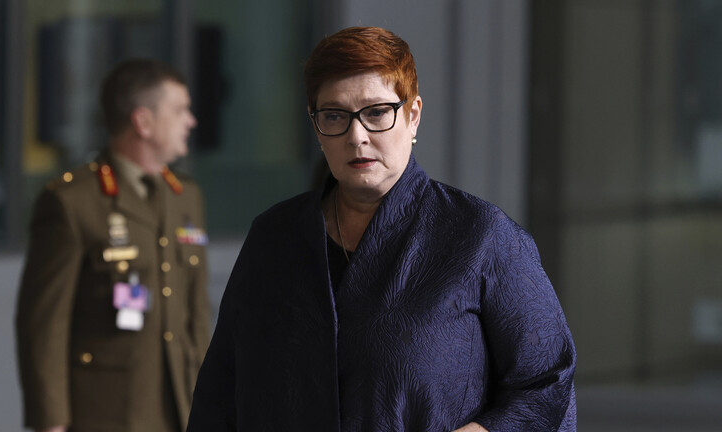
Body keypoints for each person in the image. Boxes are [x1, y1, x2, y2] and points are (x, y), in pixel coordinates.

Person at [187, 27, 576, 432]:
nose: (356, 137)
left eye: (376, 113)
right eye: (334, 115)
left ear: (413, 115)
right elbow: (220, 393)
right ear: (316, 126)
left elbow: (547, 380)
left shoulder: (479, 235)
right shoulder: (274, 236)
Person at [16, 58, 212, 432]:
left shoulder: (186, 197)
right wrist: (51, 422)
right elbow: (44, 325)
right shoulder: (73, 201)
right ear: (143, 122)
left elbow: (197, 315)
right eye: (179, 110)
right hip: (108, 414)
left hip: (183, 408)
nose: (191, 121)